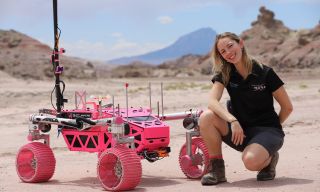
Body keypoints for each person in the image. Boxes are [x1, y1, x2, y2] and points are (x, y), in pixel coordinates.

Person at [199, 32, 293, 185]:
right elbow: (212, 101)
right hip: (240, 132)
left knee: (250, 161)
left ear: (240, 43)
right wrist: (233, 120)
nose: (228, 53)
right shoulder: (225, 73)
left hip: (267, 130)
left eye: (230, 46)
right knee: (206, 117)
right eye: (223, 51)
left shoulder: (265, 72)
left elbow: (287, 107)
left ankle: (269, 158)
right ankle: (217, 171)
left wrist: (273, 131)